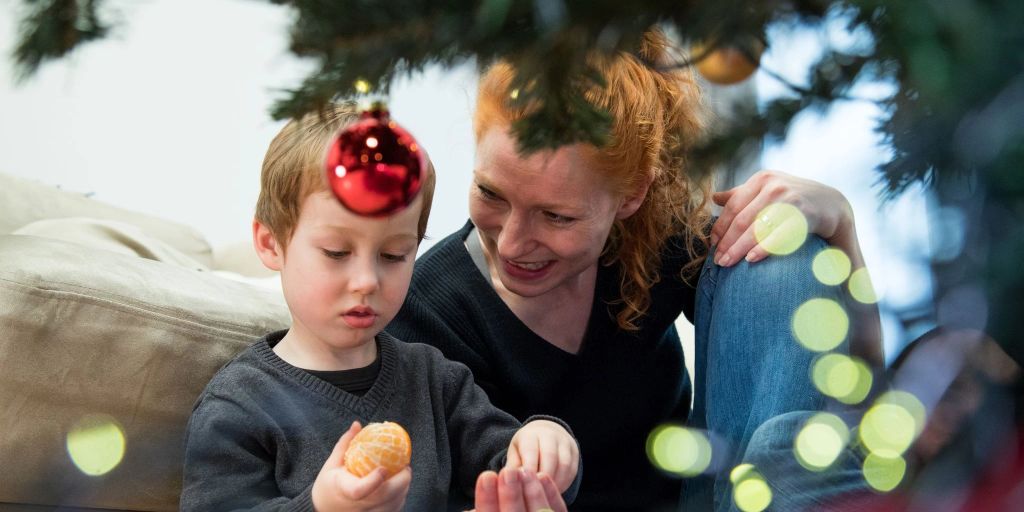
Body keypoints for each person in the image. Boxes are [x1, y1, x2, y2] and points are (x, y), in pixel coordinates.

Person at [387, 29, 881, 511]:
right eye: (491, 193)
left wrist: (842, 225)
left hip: (712, 498)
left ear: (632, 196)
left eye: (556, 215)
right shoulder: (424, 311)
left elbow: (868, 387)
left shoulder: (650, 241)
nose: (513, 242)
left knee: (781, 256)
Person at [180, 103, 582, 511]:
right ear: (270, 243)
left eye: (393, 255)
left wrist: (545, 446)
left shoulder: (434, 380)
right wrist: (319, 507)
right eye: (337, 252)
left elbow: (510, 467)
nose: (368, 281)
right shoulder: (240, 404)